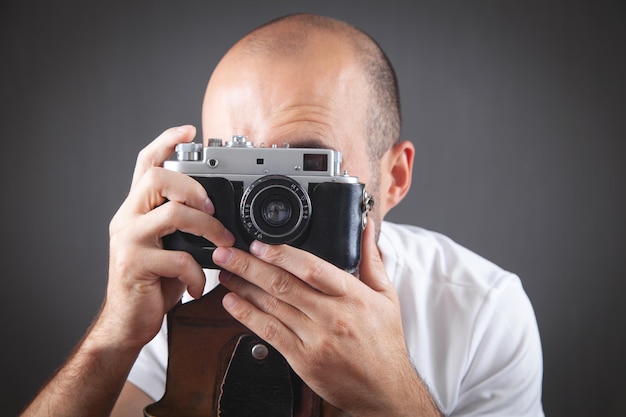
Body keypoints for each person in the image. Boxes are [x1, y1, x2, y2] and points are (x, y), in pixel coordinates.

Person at [21, 13, 544, 417]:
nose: (270, 202)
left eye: (307, 165)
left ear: (395, 178)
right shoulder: (179, 292)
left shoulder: (479, 311)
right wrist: (113, 337)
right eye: (238, 162)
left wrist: (395, 397)